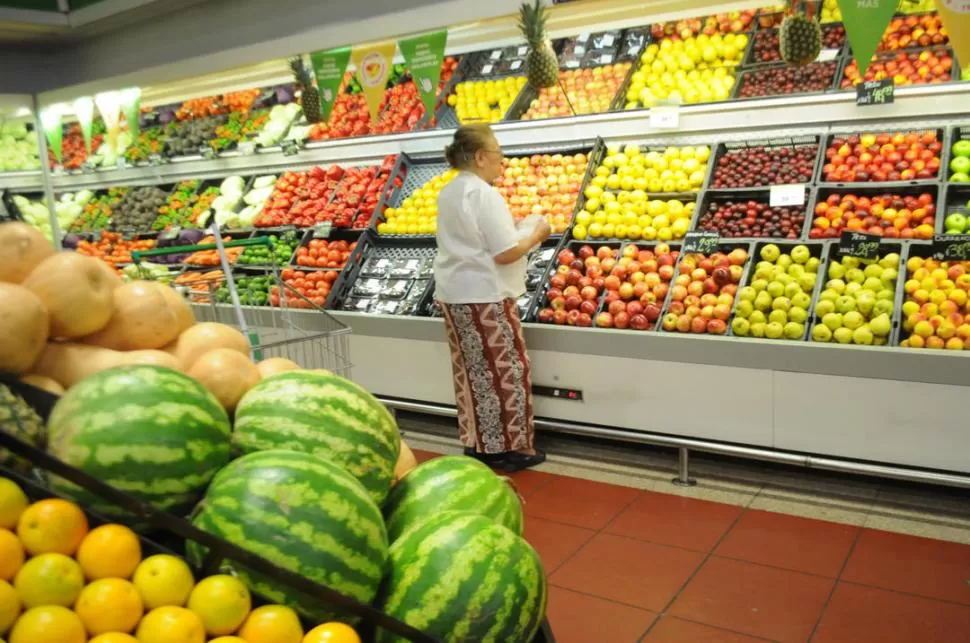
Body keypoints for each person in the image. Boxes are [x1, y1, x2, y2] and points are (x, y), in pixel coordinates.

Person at [434, 124, 551, 472]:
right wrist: (536, 235)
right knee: (507, 369)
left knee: (472, 370)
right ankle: (509, 449)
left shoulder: (449, 192)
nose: (502, 161)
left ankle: (477, 442)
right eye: (498, 153)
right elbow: (506, 252)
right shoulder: (483, 194)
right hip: (485, 295)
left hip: (455, 293)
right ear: (481, 157)